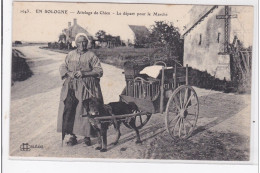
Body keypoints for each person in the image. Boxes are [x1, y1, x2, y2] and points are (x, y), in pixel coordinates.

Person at [57, 33, 103, 146]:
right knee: (71, 109)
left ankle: (87, 136)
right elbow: (63, 66)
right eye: (79, 42)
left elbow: (99, 71)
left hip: (87, 86)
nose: (82, 44)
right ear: (75, 43)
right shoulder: (70, 55)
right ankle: (72, 136)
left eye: (84, 42)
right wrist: (68, 73)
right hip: (71, 86)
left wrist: (84, 73)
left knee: (85, 110)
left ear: (87, 43)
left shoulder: (92, 56)